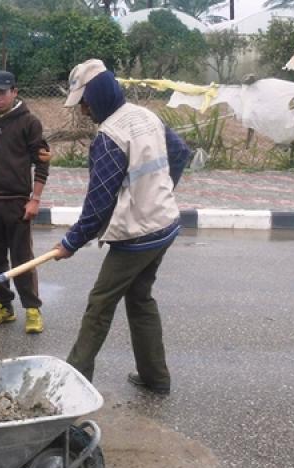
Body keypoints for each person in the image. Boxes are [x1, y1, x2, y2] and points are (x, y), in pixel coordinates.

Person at [52, 59, 192, 395]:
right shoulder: (145, 116)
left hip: (138, 237)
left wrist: (71, 242)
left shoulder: (110, 135)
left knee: (99, 305)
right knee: (140, 298)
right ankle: (156, 378)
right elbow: (181, 153)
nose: (83, 111)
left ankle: (71, 388)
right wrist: (159, 192)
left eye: (84, 102)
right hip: (165, 225)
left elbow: (98, 204)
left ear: (97, 95)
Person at [0, 70, 52, 334]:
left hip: (17, 203)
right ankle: (4, 307)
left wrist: (35, 199)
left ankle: (32, 309)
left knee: (22, 259)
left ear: (14, 91)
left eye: (2, 92)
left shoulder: (29, 122)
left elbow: (41, 164)